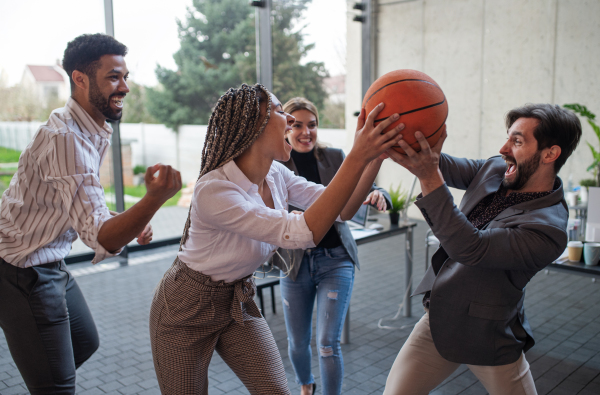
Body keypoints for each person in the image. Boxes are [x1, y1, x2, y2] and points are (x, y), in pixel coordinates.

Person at [149, 84, 405, 395]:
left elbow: (343, 208)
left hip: (236, 299)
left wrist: (375, 156)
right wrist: (358, 154)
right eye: (282, 112)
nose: (291, 121)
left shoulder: (275, 175)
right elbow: (305, 232)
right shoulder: (214, 190)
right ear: (254, 126)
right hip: (185, 307)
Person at [0, 33, 182, 395]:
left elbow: (79, 202)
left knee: (84, 342)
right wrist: (154, 200)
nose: (125, 87)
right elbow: (98, 235)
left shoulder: (85, 128)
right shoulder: (67, 138)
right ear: (79, 79)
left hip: (48, 261)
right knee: (56, 386)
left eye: (126, 76)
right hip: (21, 271)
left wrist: (129, 219)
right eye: (114, 77)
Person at [382, 104, 582, 394]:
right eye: (507, 137)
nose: (503, 148)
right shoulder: (496, 168)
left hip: (489, 335)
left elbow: (470, 248)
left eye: (517, 141)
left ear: (550, 154)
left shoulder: (548, 229)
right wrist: (397, 138)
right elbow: (437, 163)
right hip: (440, 319)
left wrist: (428, 175)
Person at [270, 97, 390, 395]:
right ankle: (306, 385)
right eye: (297, 125)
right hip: (295, 264)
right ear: (286, 127)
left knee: (327, 342)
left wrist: (380, 194)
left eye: (312, 125)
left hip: (336, 259)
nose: (305, 132)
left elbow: (363, 188)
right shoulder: (276, 166)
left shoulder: (335, 157)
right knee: (297, 342)